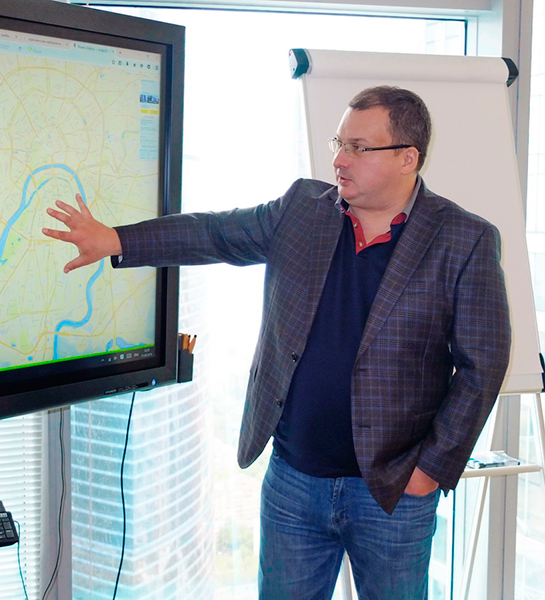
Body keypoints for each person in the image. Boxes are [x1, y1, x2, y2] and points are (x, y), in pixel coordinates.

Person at [42, 86, 511, 599]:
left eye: (358, 147)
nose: (339, 159)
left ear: (407, 158)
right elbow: (215, 233)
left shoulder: (464, 239)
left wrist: (429, 471)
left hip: (393, 490)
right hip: (293, 482)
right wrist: (116, 239)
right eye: (339, 143)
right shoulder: (303, 209)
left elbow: (483, 365)